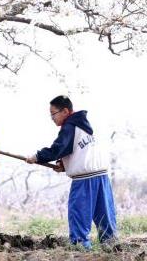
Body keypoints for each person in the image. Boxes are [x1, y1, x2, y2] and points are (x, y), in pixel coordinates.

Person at [26, 95, 117, 249]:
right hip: (102, 175)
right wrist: (63, 164)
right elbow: (78, 149)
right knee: (104, 212)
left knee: (79, 212)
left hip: (84, 179)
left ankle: (80, 245)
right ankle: (110, 244)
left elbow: (58, 148)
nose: (52, 118)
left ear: (65, 111)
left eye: (53, 113)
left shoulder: (70, 126)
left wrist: (37, 156)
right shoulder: (84, 123)